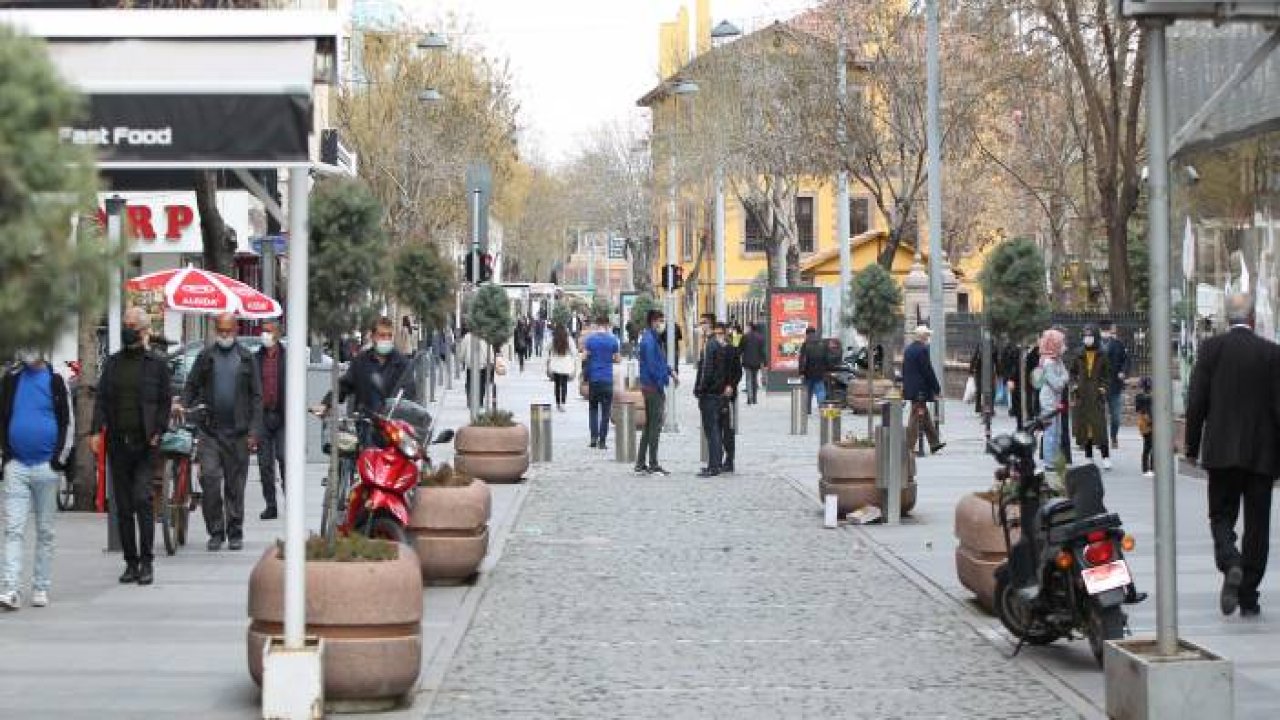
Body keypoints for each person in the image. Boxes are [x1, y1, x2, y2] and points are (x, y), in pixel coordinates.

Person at [1185, 293, 1280, 617]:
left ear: (1228, 318)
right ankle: (1249, 595)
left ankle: (1230, 560)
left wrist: (1191, 446)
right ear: (1252, 318)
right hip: (1262, 454)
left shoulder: (1212, 350)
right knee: (1258, 525)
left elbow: (1196, 400)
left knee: (1221, 515)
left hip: (1221, 451)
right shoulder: (1272, 353)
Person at [91, 307, 172, 585]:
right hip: (118, 443)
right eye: (125, 325)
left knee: (142, 499)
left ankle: (147, 562)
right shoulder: (113, 364)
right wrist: (94, 430)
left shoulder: (157, 364)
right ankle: (131, 562)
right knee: (123, 506)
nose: (127, 330)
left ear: (143, 330)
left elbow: (164, 401)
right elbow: (101, 399)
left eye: (131, 326)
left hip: (146, 444)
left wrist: (159, 431)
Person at [181, 313, 263, 552]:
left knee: (235, 486)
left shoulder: (246, 358)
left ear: (236, 330)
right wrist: (183, 404)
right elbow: (191, 386)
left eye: (228, 330)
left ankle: (235, 531)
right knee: (210, 480)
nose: (224, 335)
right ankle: (215, 531)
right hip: (210, 432)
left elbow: (257, 398)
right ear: (216, 329)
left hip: (238, 433)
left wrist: (253, 431)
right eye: (221, 330)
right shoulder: (206, 356)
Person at [0, 348, 71, 609]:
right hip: (16, 465)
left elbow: (66, 421)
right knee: (13, 529)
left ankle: (40, 586)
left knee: (45, 531)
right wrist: (6, 456)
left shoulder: (56, 379)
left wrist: (58, 459)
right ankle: (10, 588)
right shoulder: (11, 379)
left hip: (45, 467)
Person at [635, 309, 674, 475]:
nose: (662, 324)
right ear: (653, 322)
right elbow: (653, 367)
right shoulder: (650, 341)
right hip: (652, 387)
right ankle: (653, 463)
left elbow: (659, 362)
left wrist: (670, 372)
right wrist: (662, 382)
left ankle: (641, 462)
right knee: (655, 426)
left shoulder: (651, 338)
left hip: (649, 386)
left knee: (649, 425)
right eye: (660, 321)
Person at [255, 320, 286, 520]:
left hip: (283, 416)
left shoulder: (288, 357)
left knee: (284, 459)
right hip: (263, 416)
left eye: (268, 331)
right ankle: (271, 505)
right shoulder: (256, 358)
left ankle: (290, 500)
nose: (264, 334)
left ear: (277, 334)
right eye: (263, 331)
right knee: (265, 464)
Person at [694, 317, 732, 477]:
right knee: (714, 430)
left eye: (703, 323)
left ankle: (714, 465)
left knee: (712, 430)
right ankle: (714, 463)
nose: (701, 326)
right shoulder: (718, 345)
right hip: (717, 392)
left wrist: (701, 389)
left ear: (709, 325)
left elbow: (706, 370)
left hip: (710, 393)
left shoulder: (711, 345)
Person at [1070, 325, 1112, 470]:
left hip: (1096, 395)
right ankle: (1088, 456)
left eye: (1090, 336)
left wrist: (1103, 388)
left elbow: (1107, 375)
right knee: (1085, 427)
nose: (1087, 339)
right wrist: (1074, 384)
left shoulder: (1102, 354)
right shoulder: (1078, 353)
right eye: (1085, 336)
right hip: (1082, 395)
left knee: (1099, 427)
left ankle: (1105, 456)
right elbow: (1072, 373)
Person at [902, 325, 945, 455]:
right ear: (923, 336)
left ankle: (935, 443)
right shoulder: (922, 350)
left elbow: (905, 370)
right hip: (920, 390)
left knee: (924, 417)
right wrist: (937, 388)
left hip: (911, 388)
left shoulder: (908, 349)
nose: (928, 338)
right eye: (927, 335)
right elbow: (927, 371)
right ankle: (908, 447)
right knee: (915, 418)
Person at [581, 316, 620, 449]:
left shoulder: (590, 340)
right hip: (607, 380)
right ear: (607, 325)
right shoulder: (613, 340)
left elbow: (584, 356)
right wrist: (609, 359)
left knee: (593, 409)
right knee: (605, 412)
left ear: (597, 325)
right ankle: (602, 442)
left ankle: (593, 438)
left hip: (594, 379)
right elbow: (618, 359)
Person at [1036, 328, 1070, 470]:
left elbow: (1066, 375)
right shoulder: (1048, 363)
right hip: (1049, 402)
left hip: (1056, 401)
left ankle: (1054, 459)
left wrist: (1062, 380)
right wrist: (1062, 380)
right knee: (1050, 432)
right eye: (1061, 343)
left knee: (1058, 432)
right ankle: (1049, 462)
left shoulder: (1058, 360)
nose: (1064, 346)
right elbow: (1057, 384)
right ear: (1053, 344)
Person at [1100, 320, 1130, 449]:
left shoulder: (1118, 344)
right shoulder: (1095, 345)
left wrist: (1123, 372)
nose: (1108, 332)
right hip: (1099, 385)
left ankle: (1113, 437)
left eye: (1109, 330)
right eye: (1105, 330)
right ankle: (1101, 439)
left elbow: (1126, 361)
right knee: (1099, 415)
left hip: (1115, 385)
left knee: (1116, 416)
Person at [718, 323, 743, 473]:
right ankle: (717, 458)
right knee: (716, 429)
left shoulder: (732, 351)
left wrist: (731, 386)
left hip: (728, 396)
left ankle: (729, 459)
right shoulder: (711, 349)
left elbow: (738, 373)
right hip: (714, 394)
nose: (720, 336)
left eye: (721, 333)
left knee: (728, 428)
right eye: (717, 333)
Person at [457, 326, 495, 408]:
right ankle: (480, 401)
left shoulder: (467, 337)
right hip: (482, 364)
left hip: (471, 364)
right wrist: (491, 360)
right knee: (481, 384)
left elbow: (462, 350)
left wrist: (461, 359)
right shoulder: (485, 337)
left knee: (470, 382)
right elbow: (490, 350)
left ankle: (470, 400)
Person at [545, 324, 578, 412]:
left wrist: (550, 354)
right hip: (566, 364)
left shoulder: (553, 339)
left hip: (555, 363)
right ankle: (563, 403)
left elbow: (547, 348)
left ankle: (557, 403)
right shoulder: (569, 339)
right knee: (564, 385)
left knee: (557, 384)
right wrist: (573, 360)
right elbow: (574, 352)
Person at [797, 327, 828, 414]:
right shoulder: (822, 344)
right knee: (820, 390)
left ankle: (807, 410)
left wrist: (801, 372)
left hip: (808, 373)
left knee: (808, 391)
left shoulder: (805, 344)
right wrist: (826, 369)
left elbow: (802, 360)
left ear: (807, 334)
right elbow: (826, 358)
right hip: (820, 372)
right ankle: (822, 408)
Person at [740, 322, 766, 405]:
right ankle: (754, 399)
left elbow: (740, 348)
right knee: (754, 380)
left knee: (748, 379)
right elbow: (762, 351)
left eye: (746, 327)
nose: (746, 329)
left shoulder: (745, 337)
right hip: (756, 362)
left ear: (750, 327)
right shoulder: (761, 338)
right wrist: (764, 361)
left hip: (747, 362)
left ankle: (749, 399)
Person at [1135, 377, 1153, 478]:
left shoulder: (1143, 397)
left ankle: (1151, 468)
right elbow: (1139, 409)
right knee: (1148, 446)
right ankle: (1146, 469)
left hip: (1151, 422)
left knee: (1151, 447)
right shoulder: (1141, 397)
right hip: (1146, 423)